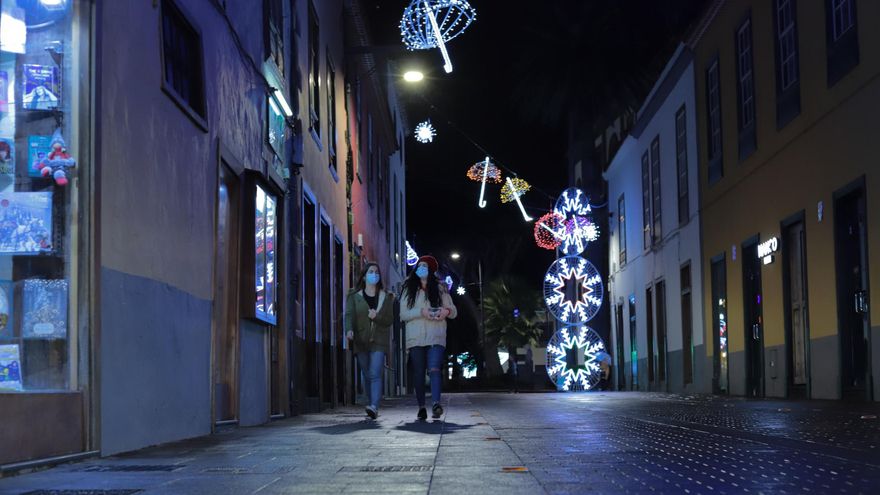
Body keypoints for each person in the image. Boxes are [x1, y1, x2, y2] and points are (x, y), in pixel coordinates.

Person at [400, 255, 457, 420]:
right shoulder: (408, 289)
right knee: (418, 373)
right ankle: (421, 406)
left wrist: (445, 311)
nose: (421, 268)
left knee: (434, 369)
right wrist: (421, 312)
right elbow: (403, 314)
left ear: (431, 271)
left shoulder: (440, 289)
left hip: (436, 335)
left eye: (425, 266)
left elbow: (453, 310)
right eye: (420, 265)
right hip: (415, 337)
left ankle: (436, 403)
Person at [344, 262, 395, 419]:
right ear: (365, 276)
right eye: (371, 272)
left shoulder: (386, 297)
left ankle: (374, 406)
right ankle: (370, 402)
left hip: (379, 339)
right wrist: (349, 330)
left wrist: (376, 316)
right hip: (361, 339)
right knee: (366, 373)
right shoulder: (353, 295)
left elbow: (389, 320)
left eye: (376, 272)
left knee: (374, 373)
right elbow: (349, 315)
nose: (375, 274)